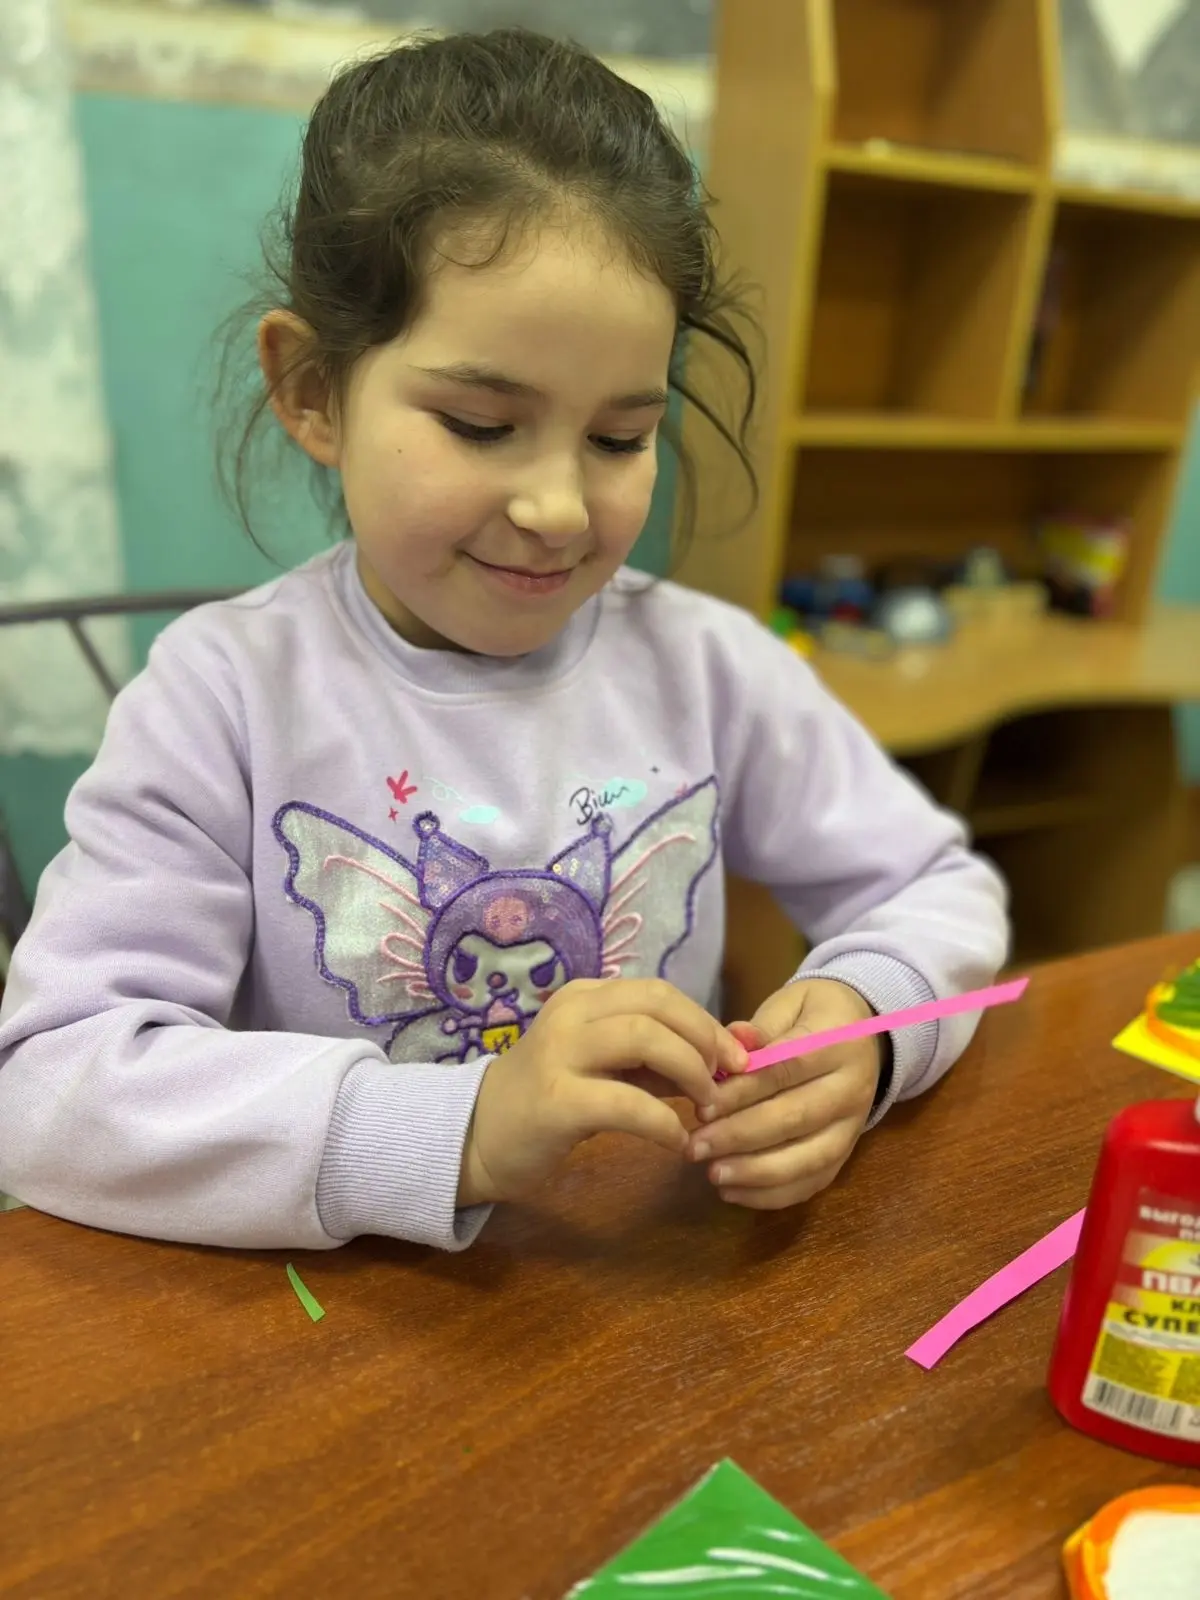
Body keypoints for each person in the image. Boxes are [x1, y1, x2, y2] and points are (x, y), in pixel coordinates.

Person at [0, 30, 1007, 1252]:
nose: (559, 509)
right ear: (312, 390)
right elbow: (53, 1087)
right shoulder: (224, 696)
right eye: (482, 423)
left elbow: (937, 886)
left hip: (640, 1287)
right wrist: (461, 1128)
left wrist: (868, 1023)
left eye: (620, 437)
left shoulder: (706, 667)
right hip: (342, 1318)